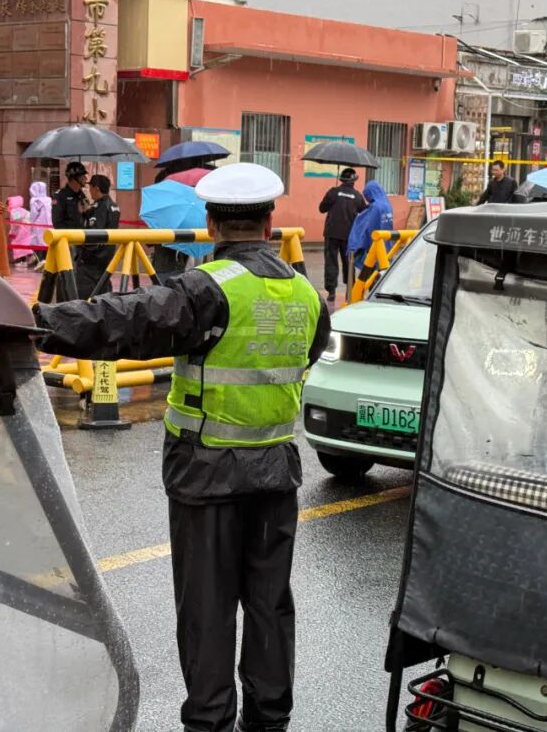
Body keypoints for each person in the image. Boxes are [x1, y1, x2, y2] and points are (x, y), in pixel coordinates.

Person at [33, 163, 331, 732]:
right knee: (270, 606)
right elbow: (303, 359)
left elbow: (119, 321)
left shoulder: (205, 289)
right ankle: (270, 720)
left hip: (207, 475)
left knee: (207, 610)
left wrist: (35, 322)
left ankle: (210, 723)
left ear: (212, 223)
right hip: (275, 473)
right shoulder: (307, 295)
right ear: (270, 223)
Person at [318, 167, 367, 304]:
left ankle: (331, 291)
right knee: (349, 263)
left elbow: (322, 209)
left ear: (342, 180)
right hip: (349, 236)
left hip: (331, 233)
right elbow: (363, 213)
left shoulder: (333, 192)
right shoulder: (357, 196)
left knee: (331, 262)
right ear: (354, 181)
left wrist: (331, 197)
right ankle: (349, 291)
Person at [74, 174, 121, 298]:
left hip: (93, 260)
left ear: (97, 188)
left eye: (90, 188)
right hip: (107, 257)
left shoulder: (100, 207)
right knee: (104, 292)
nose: (89, 191)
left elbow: (94, 234)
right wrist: (87, 213)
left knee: (86, 297)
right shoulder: (114, 206)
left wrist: (81, 249)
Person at [347, 180, 395, 272]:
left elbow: (365, 226)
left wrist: (355, 245)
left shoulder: (375, 207)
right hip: (387, 245)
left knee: (372, 276)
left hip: (375, 247)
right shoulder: (387, 204)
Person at [52, 161, 89, 231]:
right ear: (75, 179)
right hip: (68, 238)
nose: (86, 179)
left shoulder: (82, 195)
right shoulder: (60, 196)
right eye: (83, 176)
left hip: (82, 237)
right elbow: (57, 223)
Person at [28, 180, 52, 268]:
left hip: (38, 224)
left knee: (37, 242)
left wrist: (30, 222)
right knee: (47, 242)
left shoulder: (34, 200)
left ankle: (40, 261)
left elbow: (34, 213)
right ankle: (47, 262)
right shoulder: (49, 200)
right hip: (49, 224)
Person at [7, 195, 34, 268]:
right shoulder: (24, 210)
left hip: (19, 232)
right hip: (27, 231)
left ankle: (20, 261)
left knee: (17, 246)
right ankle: (28, 259)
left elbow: (16, 222)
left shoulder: (14, 211)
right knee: (25, 245)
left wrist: (12, 232)